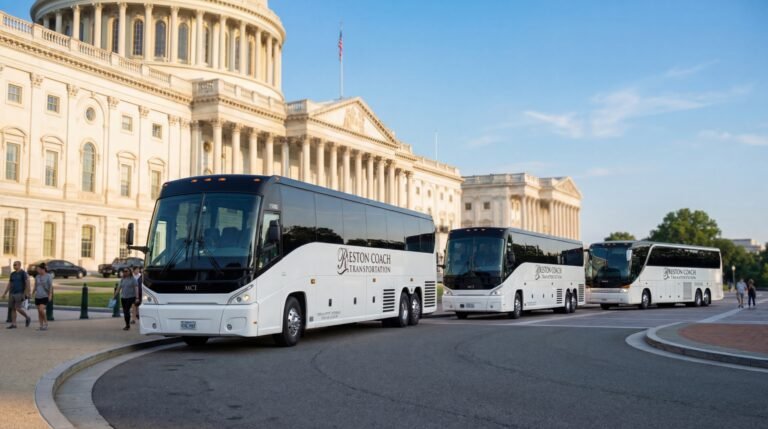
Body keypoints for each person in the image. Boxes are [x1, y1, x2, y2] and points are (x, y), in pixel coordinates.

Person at [2, 261, 31, 329]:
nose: (14, 266)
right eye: (13, 265)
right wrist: (5, 293)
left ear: (19, 265)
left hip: (20, 293)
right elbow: (10, 284)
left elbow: (27, 283)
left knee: (17, 308)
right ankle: (14, 324)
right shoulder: (12, 274)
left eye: (15, 265)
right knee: (13, 309)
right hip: (12, 293)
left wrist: (26, 293)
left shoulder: (23, 273)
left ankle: (27, 317)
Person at [33, 263, 53, 331]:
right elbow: (35, 285)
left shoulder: (48, 276)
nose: (37, 270)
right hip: (38, 295)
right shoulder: (37, 276)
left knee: (41, 310)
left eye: (38, 269)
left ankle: (46, 323)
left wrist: (50, 295)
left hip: (45, 295)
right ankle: (41, 326)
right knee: (39, 311)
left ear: (42, 269)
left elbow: (50, 286)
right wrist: (32, 293)